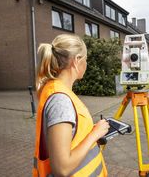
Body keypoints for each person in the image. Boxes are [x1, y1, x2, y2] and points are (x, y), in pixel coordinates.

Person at [32, 34, 110, 177]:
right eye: (86, 59)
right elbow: (62, 168)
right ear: (77, 61)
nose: (87, 64)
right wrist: (95, 134)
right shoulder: (60, 100)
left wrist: (91, 132)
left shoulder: (59, 90)